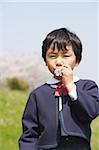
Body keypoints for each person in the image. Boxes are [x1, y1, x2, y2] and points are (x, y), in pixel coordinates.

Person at [18, 28, 99, 150]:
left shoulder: (87, 86)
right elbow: (29, 134)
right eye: (52, 56)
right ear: (45, 61)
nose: (59, 62)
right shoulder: (38, 94)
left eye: (66, 56)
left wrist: (71, 86)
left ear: (77, 61)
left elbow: (91, 111)